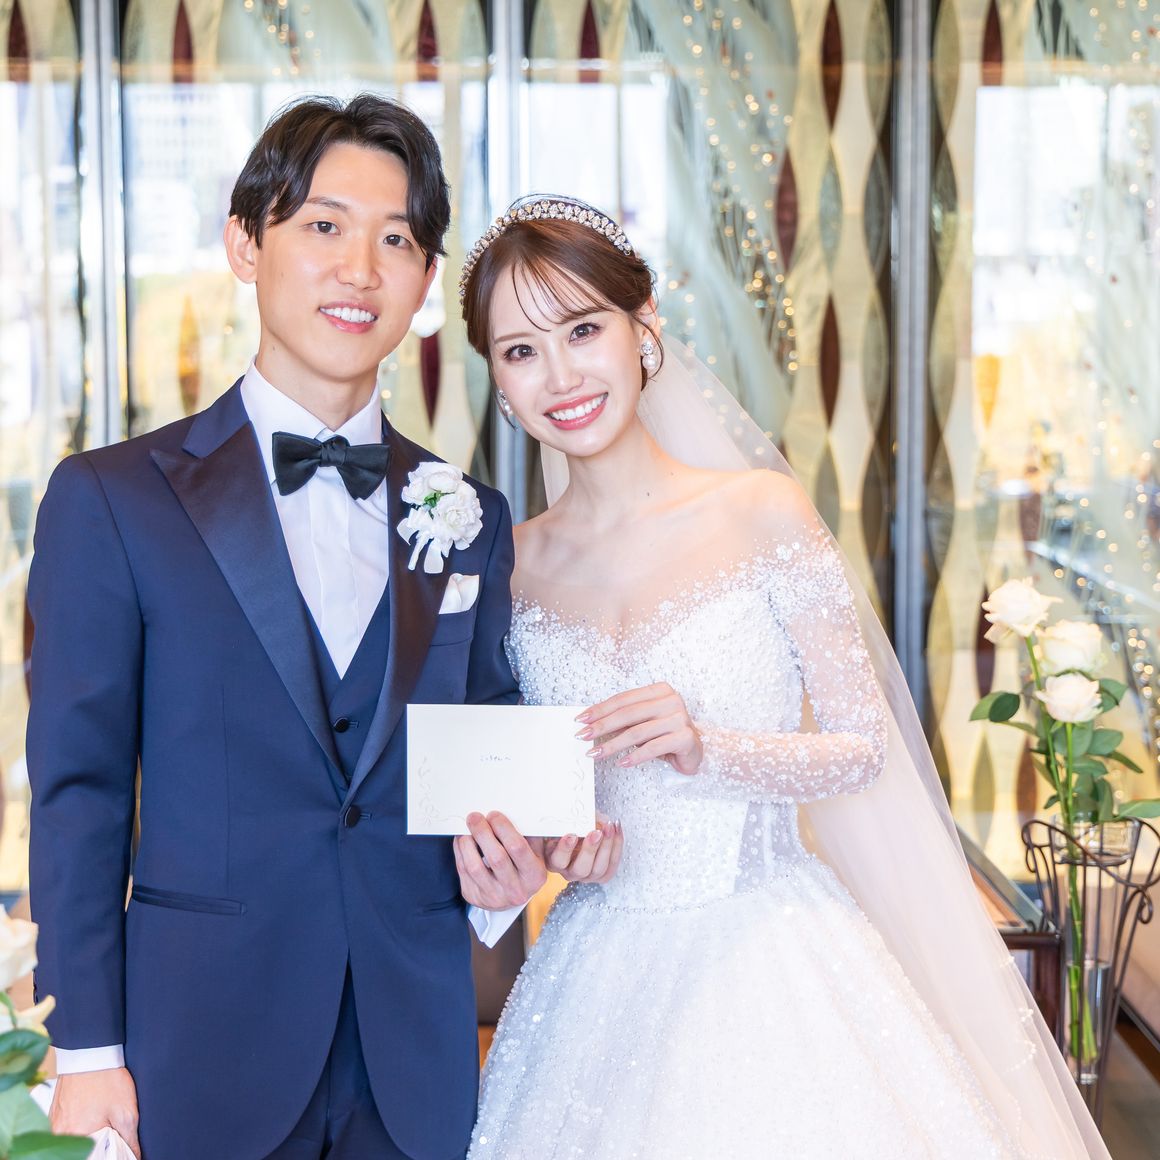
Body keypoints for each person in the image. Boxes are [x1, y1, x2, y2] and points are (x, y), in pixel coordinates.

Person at [26, 97, 619, 1160]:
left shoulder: (470, 516)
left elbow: (488, 756)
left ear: (425, 282)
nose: (359, 269)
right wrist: (84, 1050)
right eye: (324, 226)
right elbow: (79, 794)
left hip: (414, 1058)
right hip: (195, 1052)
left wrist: (508, 874)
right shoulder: (113, 498)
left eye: (395, 240)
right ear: (244, 245)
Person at [457, 197, 1111, 1158]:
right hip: (595, 979)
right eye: (521, 351)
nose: (559, 375)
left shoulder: (762, 512)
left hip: (770, 953)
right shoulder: (509, 568)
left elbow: (862, 748)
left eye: (583, 330)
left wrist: (706, 746)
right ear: (499, 381)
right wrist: (560, 846)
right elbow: (529, 791)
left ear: (643, 328)